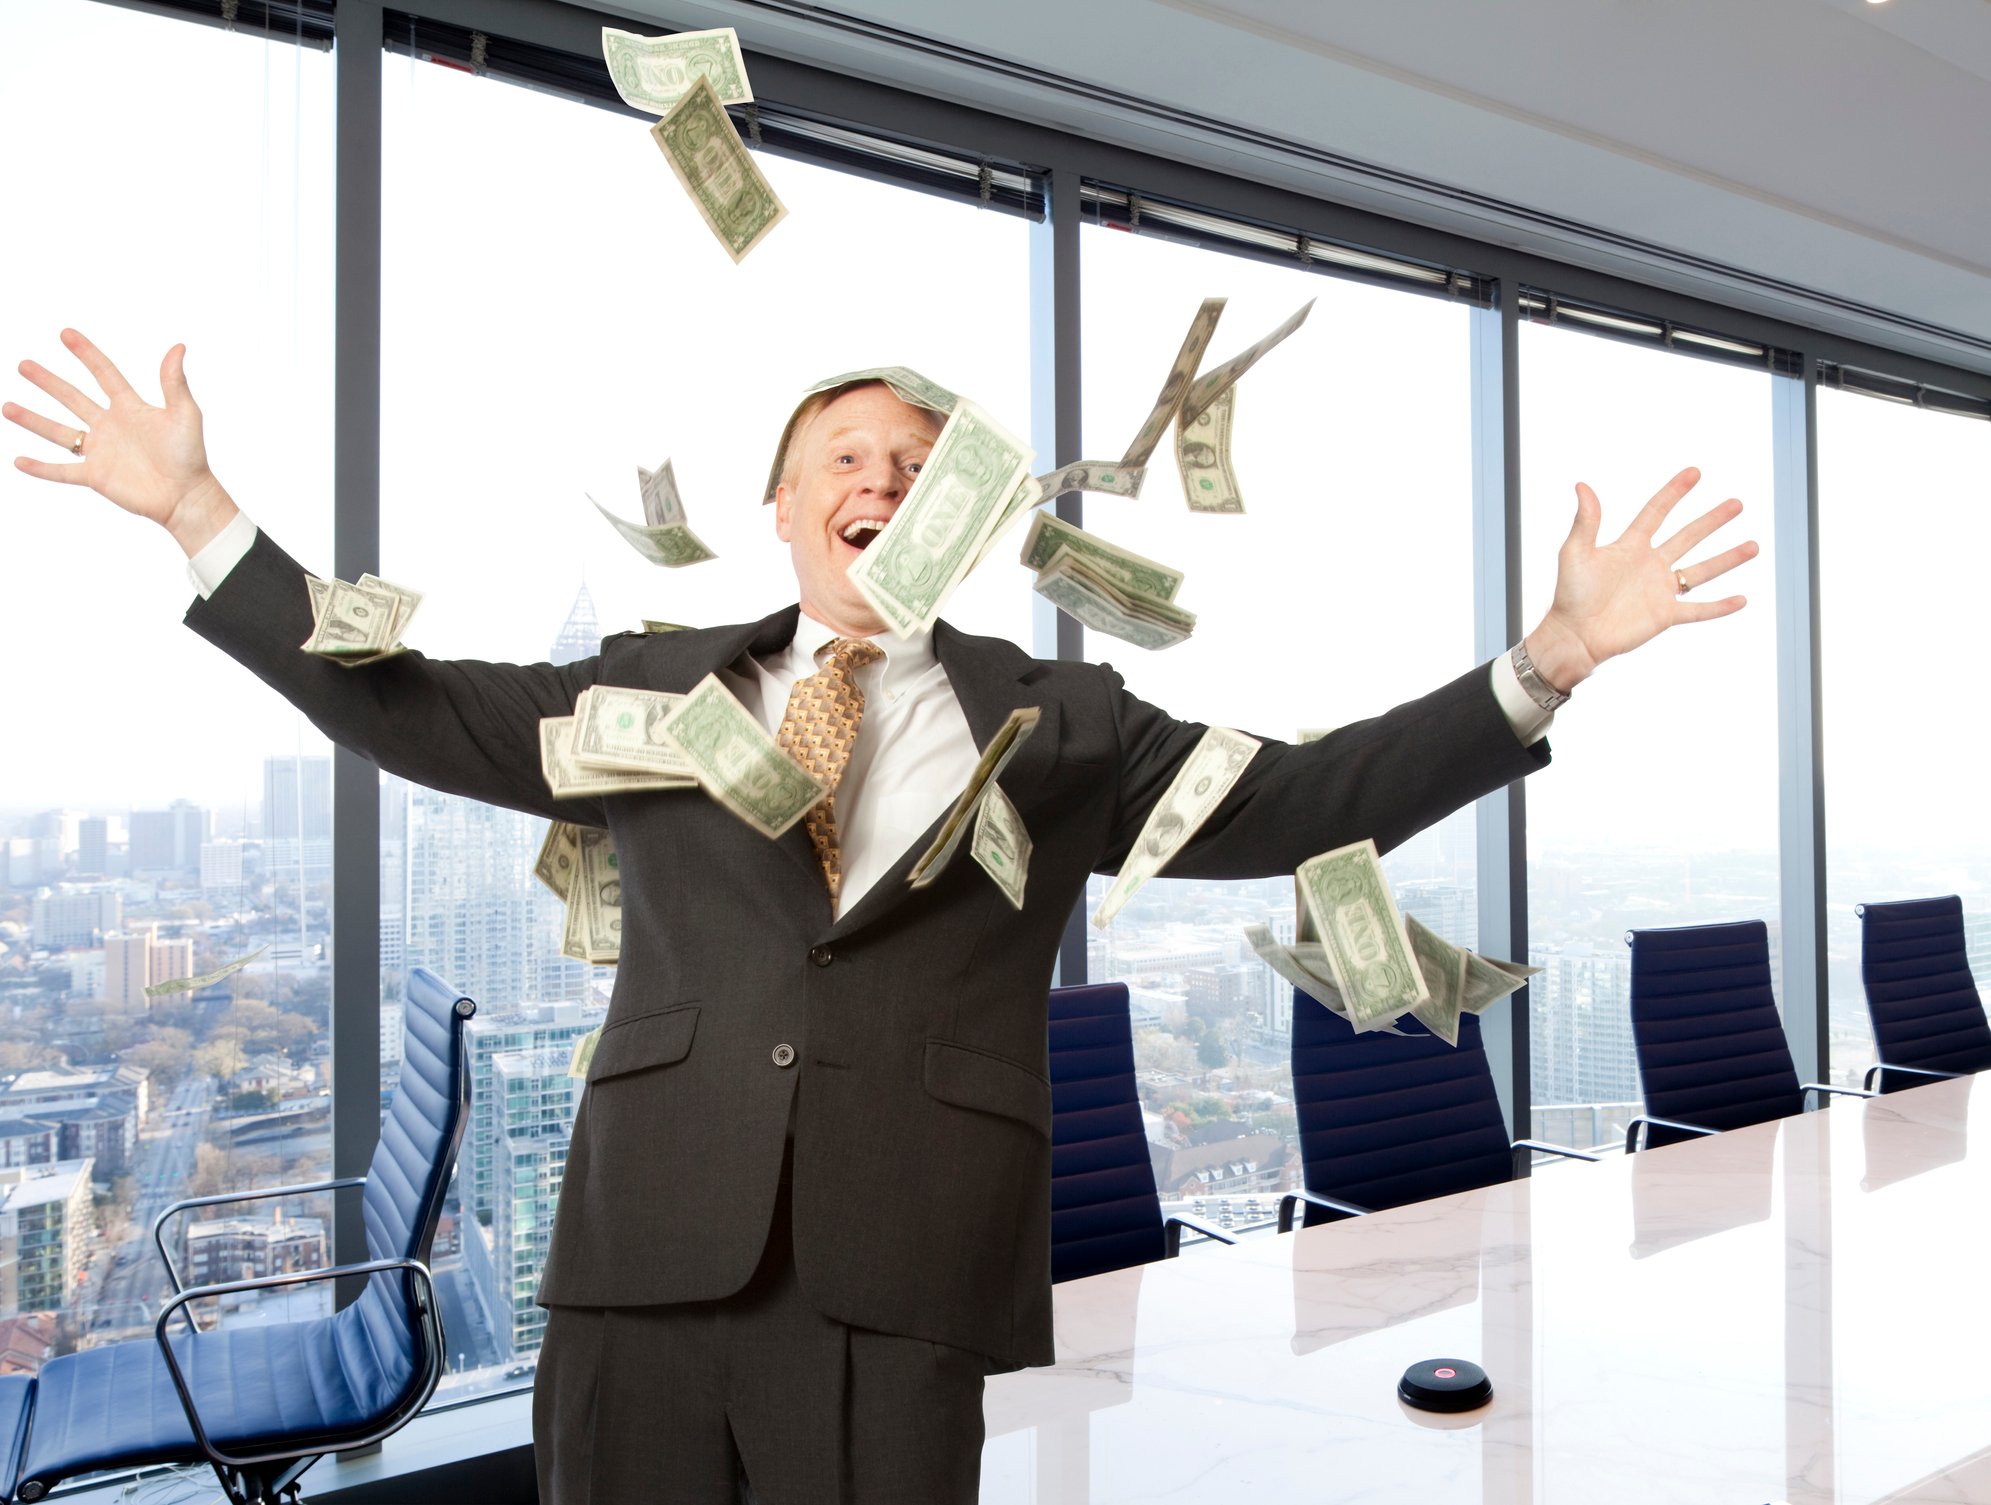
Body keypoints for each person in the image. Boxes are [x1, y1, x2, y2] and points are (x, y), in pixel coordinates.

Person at [6, 329, 1754, 1504]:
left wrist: (1549, 663)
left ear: (962, 517)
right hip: (649, 1268)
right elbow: (413, 705)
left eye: (920, 461)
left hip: (906, 1274)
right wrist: (198, 517)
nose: (884, 475)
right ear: (788, 508)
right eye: (848, 453)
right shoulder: (651, 686)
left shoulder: (1066, 724)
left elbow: (1301, 795)